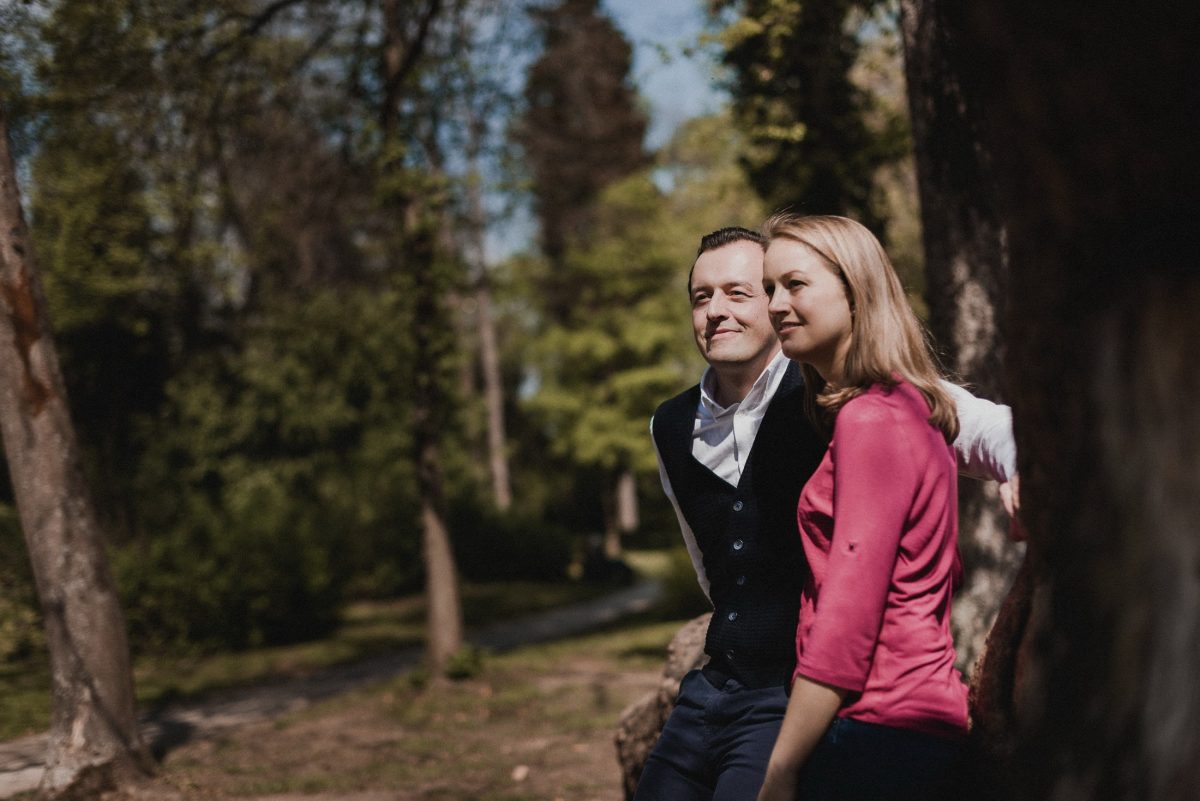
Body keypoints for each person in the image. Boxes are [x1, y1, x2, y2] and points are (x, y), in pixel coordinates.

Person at [634, 225, 1015, 801]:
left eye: (740, 292)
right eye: (701, 296)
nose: (716, 311)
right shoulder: (669, 425)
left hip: (808, 694)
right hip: (716, 685)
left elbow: (971, 420)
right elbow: (709, 564)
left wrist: (1026, 464)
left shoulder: (843, 394)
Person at [755, 214, 974, 801]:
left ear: (855, 292)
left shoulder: (872, 419)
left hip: (878, 730)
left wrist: (781, 766)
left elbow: (848, 617)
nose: (775, 305)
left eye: (794, 285)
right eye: (770, 288)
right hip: (911, 727)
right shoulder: (909, 407)